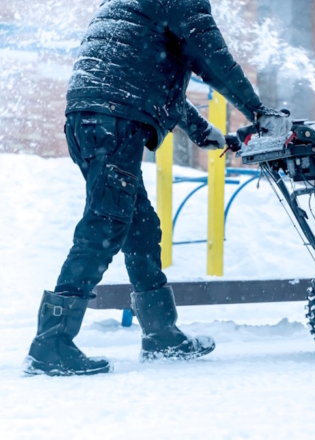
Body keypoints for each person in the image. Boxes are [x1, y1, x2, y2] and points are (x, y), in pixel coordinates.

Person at [24, 0, 291, 376]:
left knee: (140, 225)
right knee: (105, 223)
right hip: (114, 118)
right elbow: (214, 60)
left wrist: (205, 134)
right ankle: (50, 341)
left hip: (90, 117)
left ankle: (161, 334)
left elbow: (148, 76)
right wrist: (259, 112)